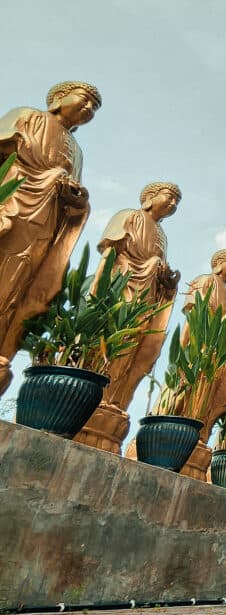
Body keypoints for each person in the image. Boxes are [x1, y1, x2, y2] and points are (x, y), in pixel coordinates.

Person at [0, 81, 101, 393]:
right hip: (14, 207)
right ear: (58, 98)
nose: (88, 110)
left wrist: (75, 196)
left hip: (45, 224)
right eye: (84, 101)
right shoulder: (27, 116)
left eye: (93, 109)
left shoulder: (76, 151)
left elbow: (73, 191)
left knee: (18, 286)